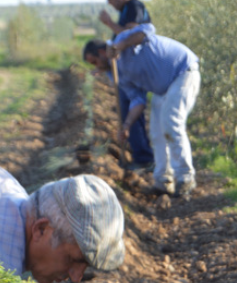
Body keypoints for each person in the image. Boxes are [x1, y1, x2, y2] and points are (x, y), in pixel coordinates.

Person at [84, 30, 200, 197]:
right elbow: (137, 99)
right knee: (157, 133)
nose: (96, 67)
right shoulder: (114, 73)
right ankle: (163, 181)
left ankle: (185, 178)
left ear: (102, 52)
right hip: (162, 89)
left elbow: (146, 32)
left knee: (171, 123)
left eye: (95, 61)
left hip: (183, 72)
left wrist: (119, 46)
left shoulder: (121, 41)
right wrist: (126, 125)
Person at [98, 0, 155, 171]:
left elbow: (131, 34)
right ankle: (140, 155)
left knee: (132, 112)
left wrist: (109, 23)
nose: (109, 2)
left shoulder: (134, 7)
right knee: (127, 112)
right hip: (127, 67)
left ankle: (143, 159)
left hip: (133, 68)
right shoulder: (125, 9)